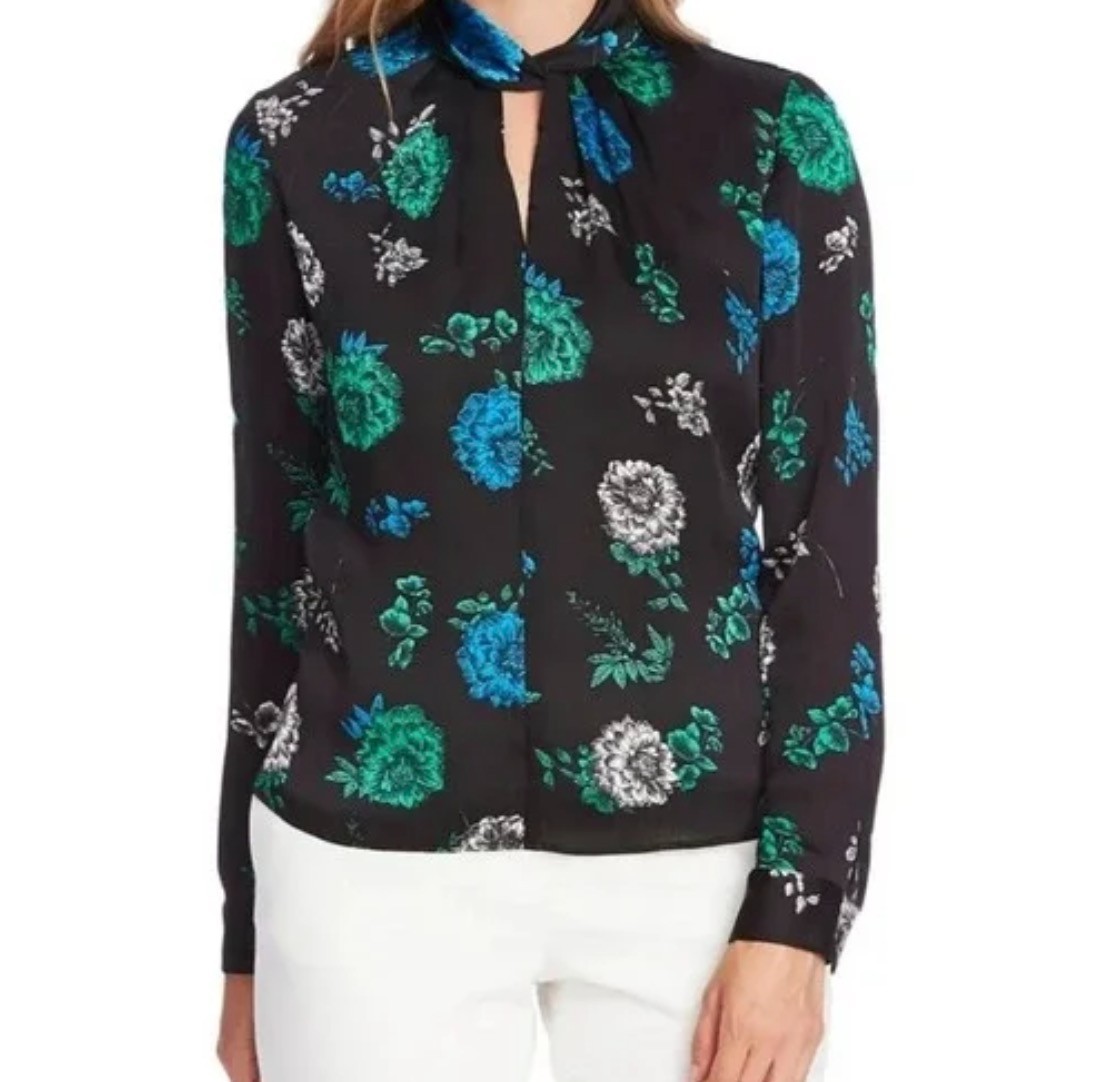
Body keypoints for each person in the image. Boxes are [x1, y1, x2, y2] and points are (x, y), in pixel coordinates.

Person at [215, 1, 884, 1080]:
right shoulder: (296, 134)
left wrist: (800, 912)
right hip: (363, 866)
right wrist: (244, 934)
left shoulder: (770, 131)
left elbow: (828, 542)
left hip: (692, 869)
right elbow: (274, 538)